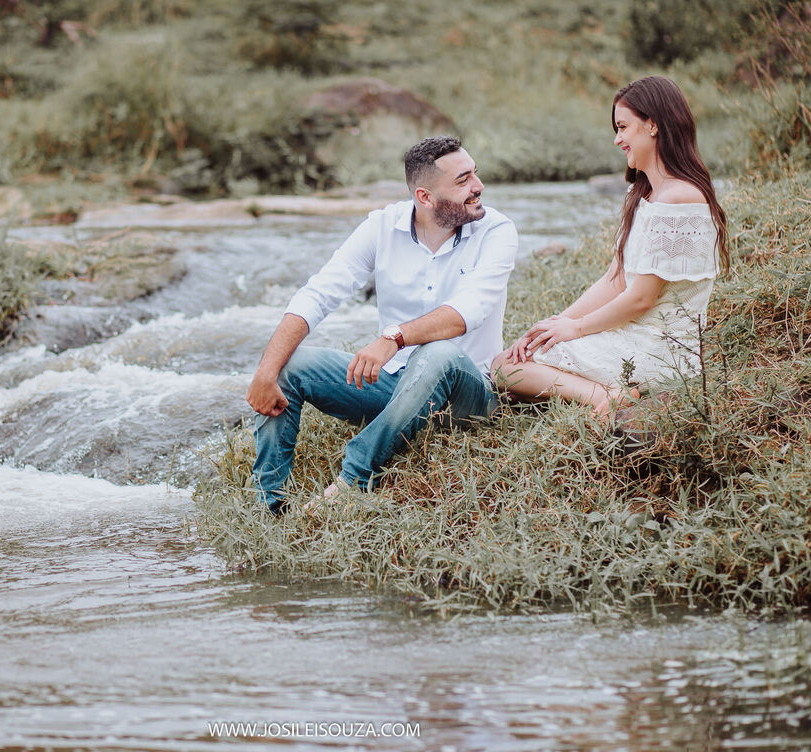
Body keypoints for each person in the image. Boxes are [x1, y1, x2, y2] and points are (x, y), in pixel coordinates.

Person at [247, 136, 519, 514]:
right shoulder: (381, 226)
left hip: (467, 395)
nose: (478, 187)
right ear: (424, 197)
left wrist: (394, 337)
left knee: (438, 353)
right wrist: (266, 370)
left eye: (474, 173)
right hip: (393, 388)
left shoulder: (497, 231)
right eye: (463, 180)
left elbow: (464, 313)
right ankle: (269, 507)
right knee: (289, 366)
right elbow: (319, 294)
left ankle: (352, 480)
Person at [491, 75, 729, 415]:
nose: (618, 140)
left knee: (507, 369)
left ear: (653, 126)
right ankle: (609, 392)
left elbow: (642, 297)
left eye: (623, 127)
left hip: (661, 350)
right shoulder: (645, 194)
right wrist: (556, 325)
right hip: (633, 336)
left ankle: (606, 396)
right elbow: (615, 279)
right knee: (514, 364)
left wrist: (576, 329)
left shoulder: (680, 199)